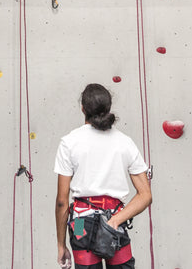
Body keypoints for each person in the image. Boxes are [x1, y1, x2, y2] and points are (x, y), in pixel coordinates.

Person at [54, 83, 152, 269]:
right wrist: (115, 220)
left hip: (81, 223)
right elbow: (145, 195)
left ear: (83, 108)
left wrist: (61, 245)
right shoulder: (125, 142)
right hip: (116, 221)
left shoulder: (69, 142)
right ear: (108, 108)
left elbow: (62, 201)